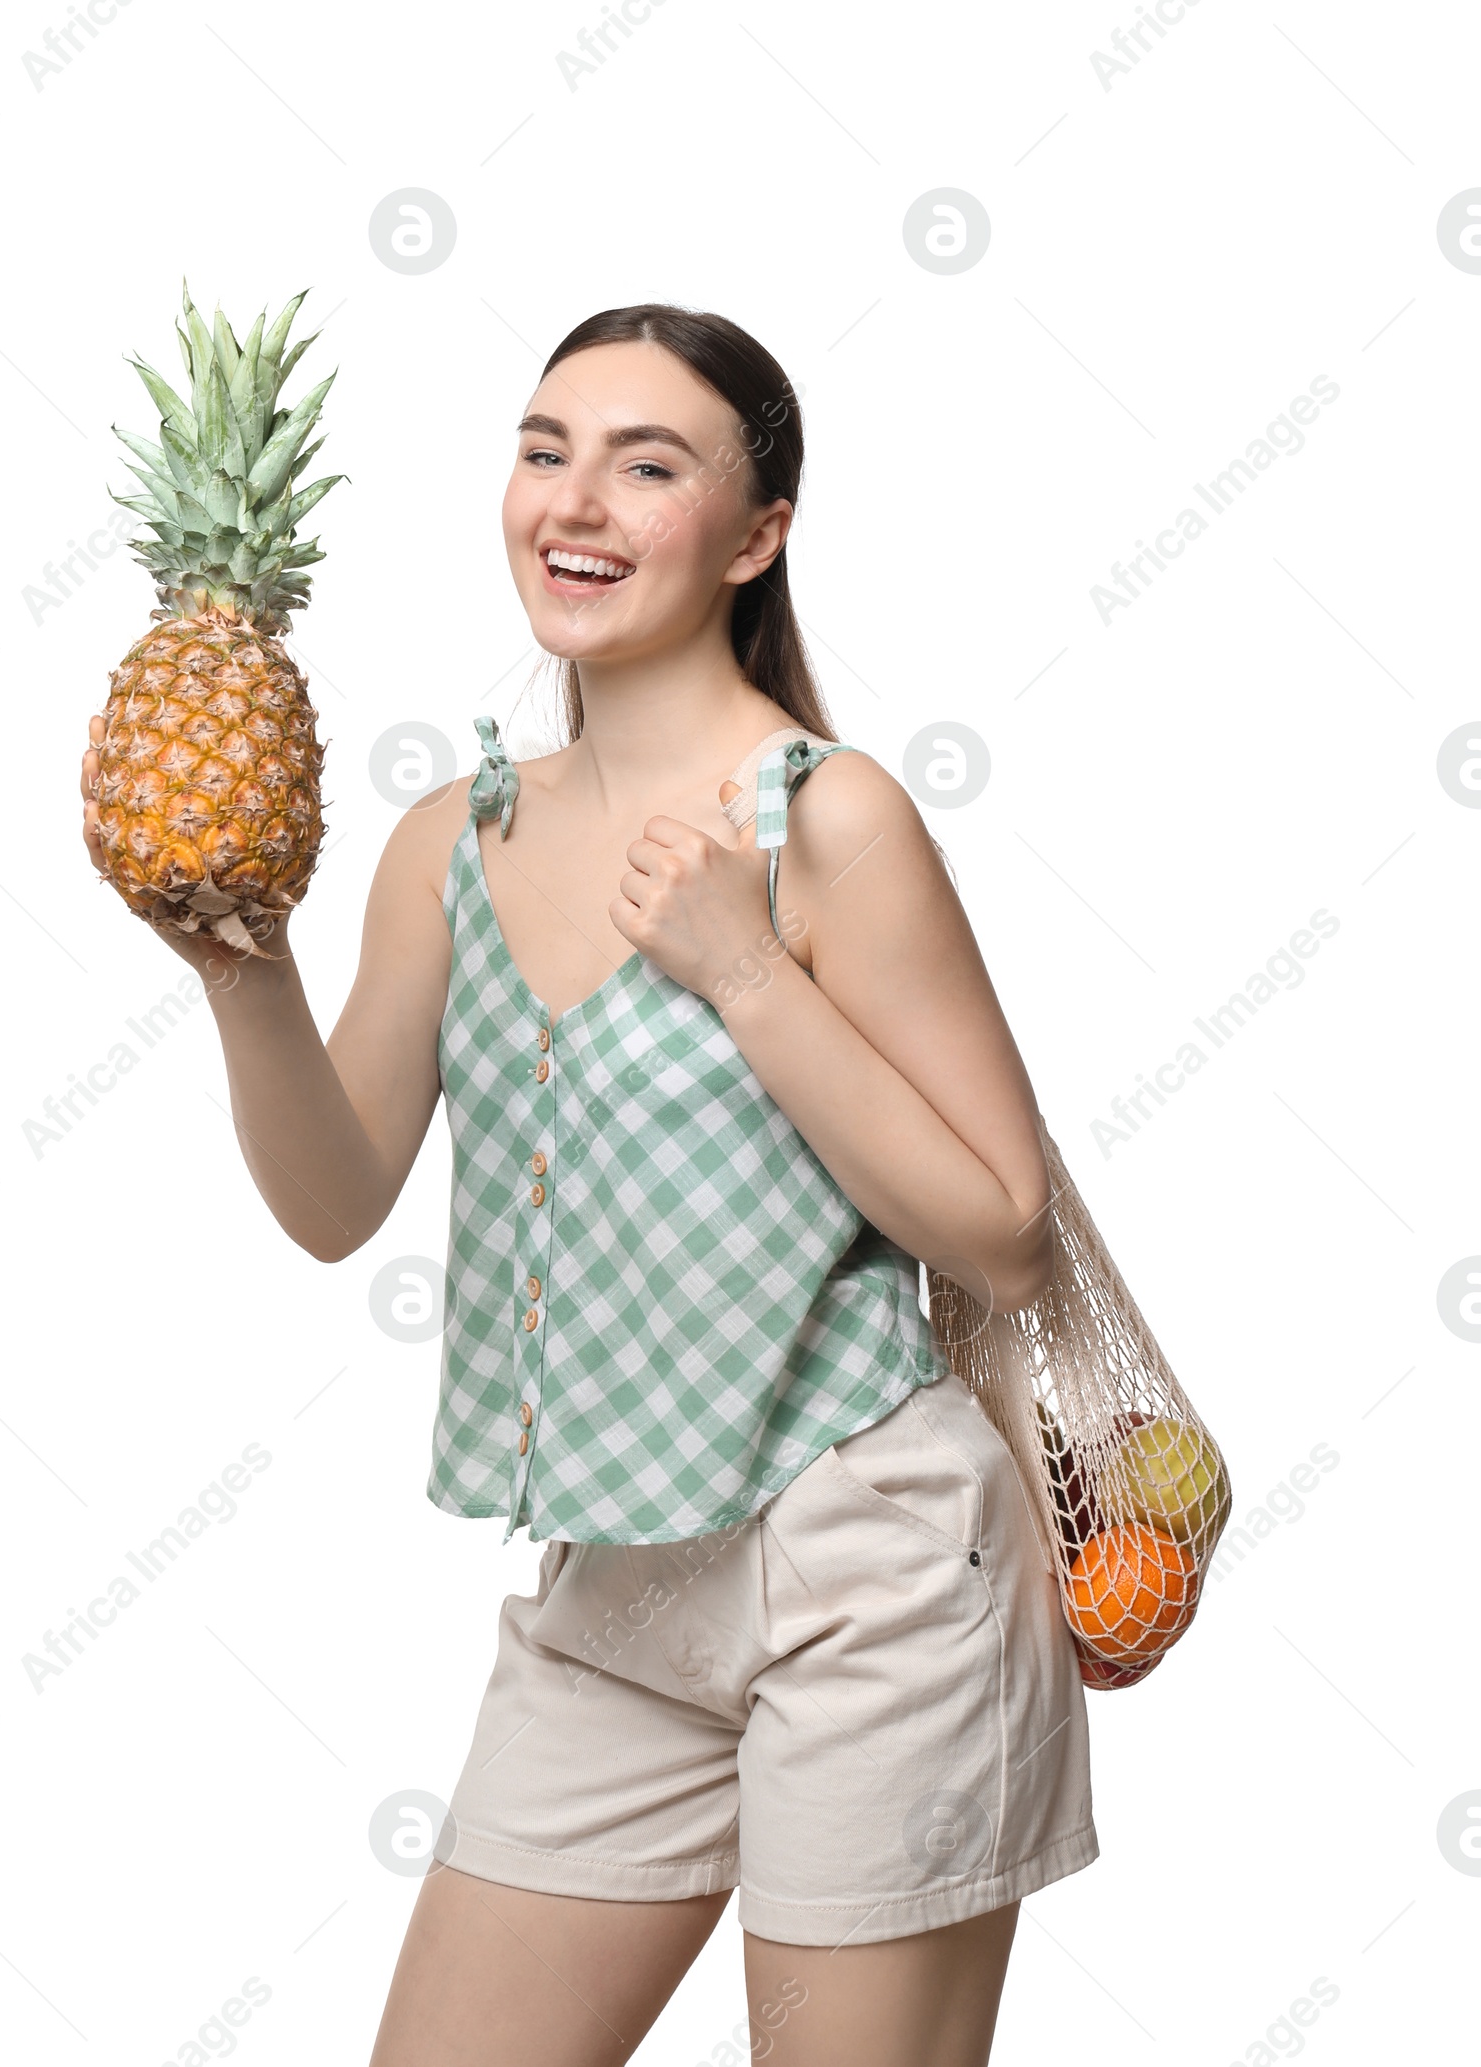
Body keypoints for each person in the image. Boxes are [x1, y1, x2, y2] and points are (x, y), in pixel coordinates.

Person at [81, 303, 1097, 2067]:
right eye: (546, 448)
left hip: (871, 1575)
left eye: (650, 464)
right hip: (615, 1585)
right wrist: (239, 972)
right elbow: (335, 1204)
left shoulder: (828, 820)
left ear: (757, 533)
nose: (580, 498)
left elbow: (1004, 1224)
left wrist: (750, 974)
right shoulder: (449, 838)